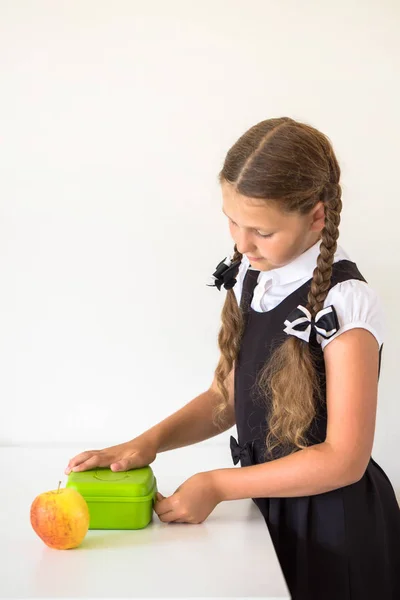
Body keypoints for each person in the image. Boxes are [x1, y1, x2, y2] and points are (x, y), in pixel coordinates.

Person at [65, 117, 400, 599]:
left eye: (262, 230)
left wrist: (218, 484)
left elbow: (345, 459)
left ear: (317, 217)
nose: (242, 244)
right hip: (267, 508)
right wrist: (147, 442)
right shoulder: (256, 272)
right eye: (232, 221)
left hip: (335, 531)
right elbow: (227, 397)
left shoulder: (345, 304)